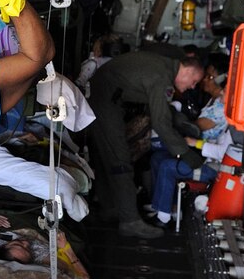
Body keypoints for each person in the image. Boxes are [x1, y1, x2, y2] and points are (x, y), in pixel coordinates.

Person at [87, 51, 206, 238]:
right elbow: (161, 122)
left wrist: (181, 122)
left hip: (102, 96)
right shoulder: (162, 77)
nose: (192, 86)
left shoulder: (163, 65)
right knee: (120, 161)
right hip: (105, 101)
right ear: (188, 71)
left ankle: (110, 208)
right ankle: (130, 221)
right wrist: (186, 154)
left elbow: (159, 107)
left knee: (105, 155)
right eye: (194, 81)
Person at [146, 55, 231, 227]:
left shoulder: (223, 110)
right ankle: (162, 205)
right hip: (201, 154)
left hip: (210, 165)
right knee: (157, 159)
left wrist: (192, 139)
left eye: (210, 77)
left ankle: (164, 218)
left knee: (167, 166)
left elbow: (196, 129)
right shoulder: (214, 102)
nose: (205, 81)